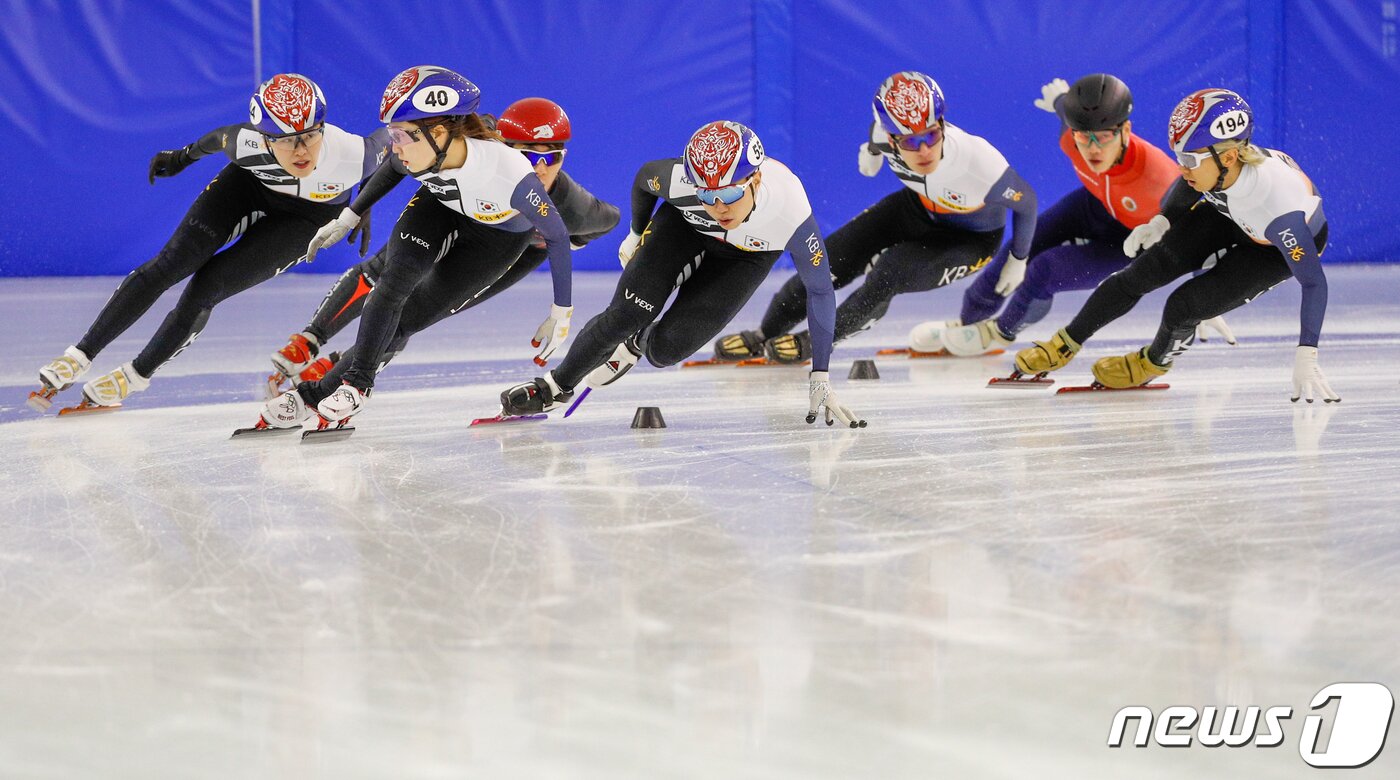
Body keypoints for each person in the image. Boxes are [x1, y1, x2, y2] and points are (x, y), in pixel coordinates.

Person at [27, 73, 388, 413]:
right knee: (172, 263)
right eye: (285, 139)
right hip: (248, 188)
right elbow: (215, 139)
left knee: (206, 289)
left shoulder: (354, 155)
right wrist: (180, 158)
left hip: (307, 217)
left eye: (310, 135)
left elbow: (392, 139)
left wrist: (362, 202)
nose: (301, 150)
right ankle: (79, 355)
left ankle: (135, 376)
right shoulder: (244, 143)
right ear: (262, 138)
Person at [251, 66, 576, 432]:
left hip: (495, 238)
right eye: (393, 133)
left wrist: (561, 309)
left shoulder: (511, 173)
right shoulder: (419, 150)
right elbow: (390, 166)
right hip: (439, 206)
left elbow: (558, 236)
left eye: (402, 135)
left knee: (406, 322)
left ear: (437, 133)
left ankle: (316, 394)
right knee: (392, 283)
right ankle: (355, 385)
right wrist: (349, 216)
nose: (395, 144)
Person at [496, 120, 864, 427]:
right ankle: (554, 388)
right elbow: (643, 180)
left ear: (754, 181)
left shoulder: (791, 211)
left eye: (731, 195)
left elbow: (820, 291)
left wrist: (820, 375)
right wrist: (637, 233)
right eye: (708, 195)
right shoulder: (680, 181)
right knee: (627, 314)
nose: (720, 207)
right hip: (684, 228)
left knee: (667, 349)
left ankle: (637, 344)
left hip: (747, 257)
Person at [1012, 89, 1337, 402]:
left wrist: (1307, 351)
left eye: (1189, 159)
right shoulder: (1218, 167)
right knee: (1140, 273)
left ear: (1230, 155)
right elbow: (1189, 182)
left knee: (1184, 306)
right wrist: (1162, 221)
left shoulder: (1281, 209)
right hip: (1231, 211)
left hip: (1272, 248)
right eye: (1179, 156)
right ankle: (1067, 341)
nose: (1181, 168)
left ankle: (1152, 362)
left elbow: (1313, 282)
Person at [711, 71, 1037, 363]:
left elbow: (1028, 202)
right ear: (892, 137)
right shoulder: (883, 135)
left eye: (931, 136)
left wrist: (1018, 258)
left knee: (889, 272)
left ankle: (821, 339)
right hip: (916, 209)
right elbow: (875, 133)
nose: (924, 150)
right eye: (910, 141)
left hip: (970, 238)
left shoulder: (979, 162)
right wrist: (871, 152)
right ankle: (764, 333)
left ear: (941, 125)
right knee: (826, 261)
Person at [931, 74, 1198, 356]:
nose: (1093, 149)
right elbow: (1064, 109)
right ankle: (968, 321)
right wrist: (1060, 99)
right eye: (1084, 136)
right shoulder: (1069, 138)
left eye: (1105, 136)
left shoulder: (1157, 176)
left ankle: (999, 333)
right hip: (1094, 205)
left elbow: (1194, 226)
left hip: (1130, 241)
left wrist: (1199, 295)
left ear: (1126, 129)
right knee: (1020, 249)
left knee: (1045, 271)